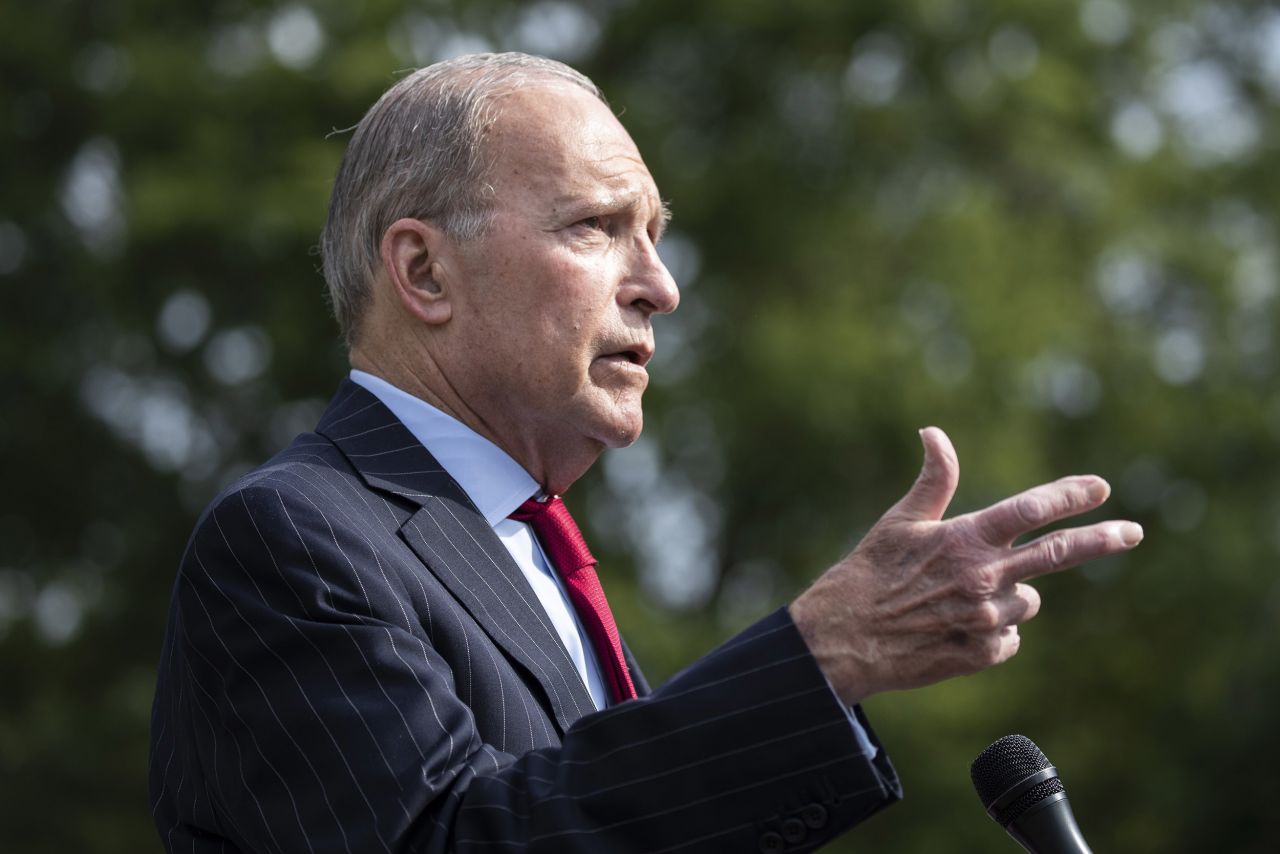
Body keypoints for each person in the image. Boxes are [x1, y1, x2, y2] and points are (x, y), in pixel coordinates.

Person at [149, 52, 1143, 853]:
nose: (658, 285)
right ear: (422, 269)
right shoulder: (293, 538)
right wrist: (820, 656)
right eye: (596, 226)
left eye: (655, 234)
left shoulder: (531, 553)